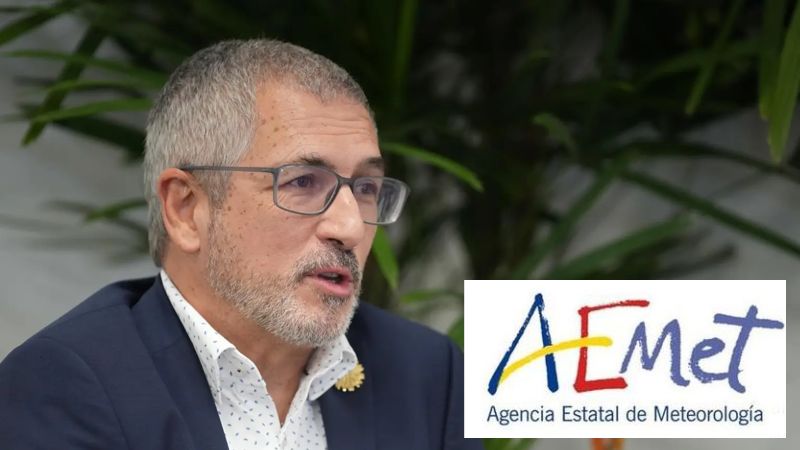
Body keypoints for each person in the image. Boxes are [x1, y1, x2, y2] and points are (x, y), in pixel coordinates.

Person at [0, 39, 481, 450]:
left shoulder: (428, 372)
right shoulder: (66, 383)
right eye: (303, 182)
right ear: (186, 208)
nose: (351, 227)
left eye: (366, 188)